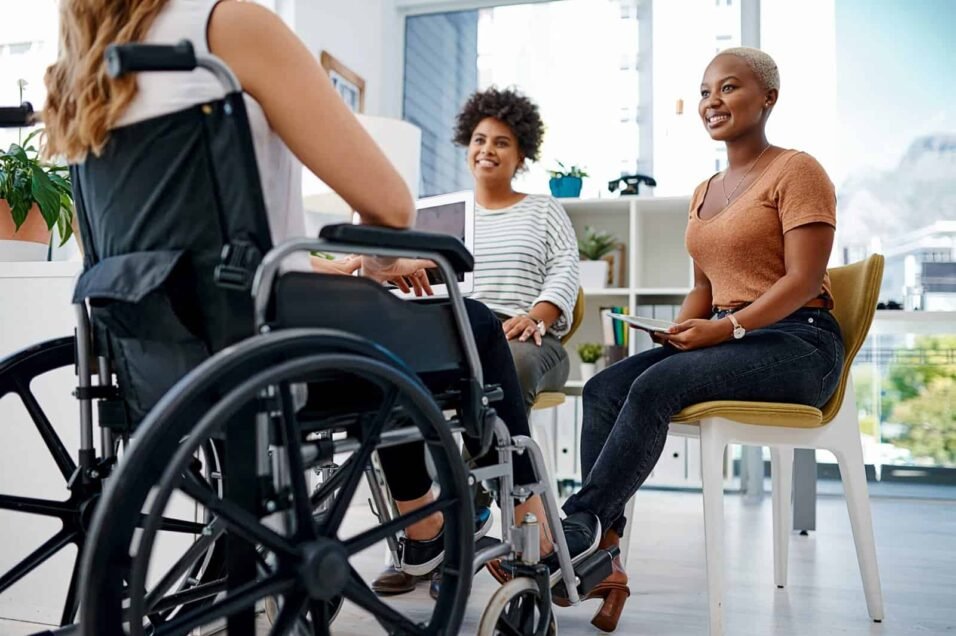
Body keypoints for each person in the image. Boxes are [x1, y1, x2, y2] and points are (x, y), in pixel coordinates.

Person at [42, 0, 594, 602]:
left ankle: (424, 526)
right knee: (473, 322)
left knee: (393, 337)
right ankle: (523, 511)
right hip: (270, 336)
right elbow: (390, 205)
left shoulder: (80, 69)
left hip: (155, 343)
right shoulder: (229, 26)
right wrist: (378, 262)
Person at [558, 47, 845, 632]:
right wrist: (680, 330)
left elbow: (803, 279)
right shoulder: (703, 191)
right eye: (706, 91)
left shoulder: (797, 170)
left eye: (730, 87)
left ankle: (578, 525)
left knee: (655, 386)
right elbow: (704, 288)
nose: (713, 101)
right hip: (732, 340)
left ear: (768, 97)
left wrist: (729, 326)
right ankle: (604, 555)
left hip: (800, 344)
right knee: (604, 388)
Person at [453, 87, 580, 413]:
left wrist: (535, 318)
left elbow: (565, 271)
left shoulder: (544, 209)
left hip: (527, 338)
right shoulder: (453, 215)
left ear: (521, 155)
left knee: (508, 365)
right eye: (479, 140)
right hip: (459, 335)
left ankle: (497, 449)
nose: (487, 149)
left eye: (501, 142)